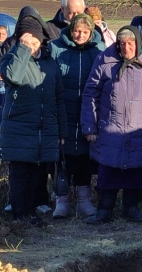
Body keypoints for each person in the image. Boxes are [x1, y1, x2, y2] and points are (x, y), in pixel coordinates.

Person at [81, 25, 142, 224]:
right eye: (122, 43)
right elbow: (91, 93)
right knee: (108, 172)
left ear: (138, 44)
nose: (126, 48)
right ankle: (104, 210)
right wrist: (89, 126)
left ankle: (131, 208)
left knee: (136, 172)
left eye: (130, 43)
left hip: (139, 130)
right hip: (110, 128)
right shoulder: (105, 60)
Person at [0, 14, 67, 227]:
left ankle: (31, 212)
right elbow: (13, 77)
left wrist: (61, 131)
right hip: (20, 126)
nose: (34, 47)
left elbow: (58, 97)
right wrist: (22, 49)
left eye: (36, 43)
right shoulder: (11, 57)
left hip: (44, 128)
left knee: (37, 174)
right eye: (30, 43)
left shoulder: (49, 63)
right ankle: (20, 214)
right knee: (20, 173)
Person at [48, 13, 105, 219]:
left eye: (85, 31)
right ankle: (61, 200)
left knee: (83, 156)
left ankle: (83, 199)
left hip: (88, 110)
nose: (80, 35)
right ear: (70, 30)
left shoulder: (99, 51)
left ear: (91, 33)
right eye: (76, 31)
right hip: (63, 109)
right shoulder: (56, 47)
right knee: (62, 156)